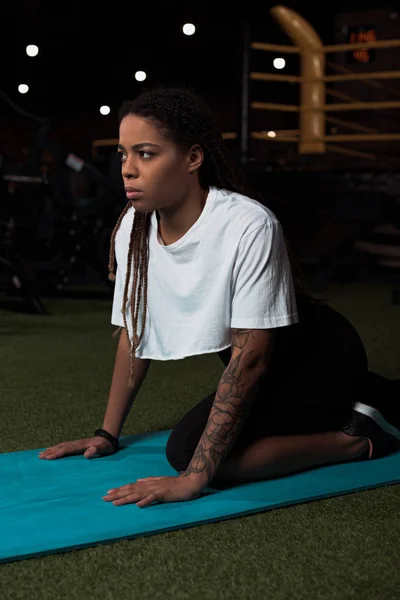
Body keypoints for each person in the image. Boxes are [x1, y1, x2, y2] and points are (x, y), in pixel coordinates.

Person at [39, 86, 400, 508]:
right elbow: (134, 333)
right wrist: (107, 434)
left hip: (319, 359)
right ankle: (374, 400)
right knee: (202, 449)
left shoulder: (248, 224)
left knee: (188, 452)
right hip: (264, 370)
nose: (128, 170)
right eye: (123, 154)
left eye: (146, 153)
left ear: (193, 158)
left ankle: (358, 438)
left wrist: (195, 478)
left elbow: (252, 358)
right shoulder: (131, 231)